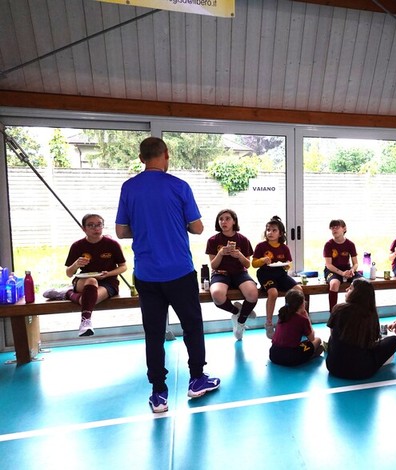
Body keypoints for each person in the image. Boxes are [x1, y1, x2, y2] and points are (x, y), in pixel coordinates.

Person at [115, 136, 220, 414]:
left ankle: (158, 393)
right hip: (179, 272)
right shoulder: (179, 186)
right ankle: (197, 379)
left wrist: (146, 227)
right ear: (166, 155)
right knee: (192, 326)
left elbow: (121, 231)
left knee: (153, 332)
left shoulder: (129, 187)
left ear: (141, 158)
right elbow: (197, 228)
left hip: (146, 274)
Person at [62, 213, 127, 337]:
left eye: (99, 225)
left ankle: (68, 293)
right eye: (91, 225)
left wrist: (109, 274)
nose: (96, 228)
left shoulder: (112, 244)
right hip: (84, 281)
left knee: (90, 300)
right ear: (84, 228)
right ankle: (85, 322)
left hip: (107, 281)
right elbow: (69, 273)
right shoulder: (77, 246)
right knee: (91, 281)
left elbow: (123, 266)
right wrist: (76, 264)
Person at [326, 278, 396, 379]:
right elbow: (372, 341)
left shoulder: (338, 309)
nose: (346, 289)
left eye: (350, 288)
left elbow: (332, 334)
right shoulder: (370, 315)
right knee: (394, 340)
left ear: (357, 293)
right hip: (361, 371)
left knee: (334, 339)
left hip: (333, 367)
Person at [206, 209, 258, 341]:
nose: (224, 221)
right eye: (221, 219)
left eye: (227, 218)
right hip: (220, 273)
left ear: (234, 221)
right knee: (217, 295)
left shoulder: (243, 240)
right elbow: (213, 266)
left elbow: (247, 264)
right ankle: (237, 311)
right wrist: (220, 254)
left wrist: (239, 255)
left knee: (253, 294)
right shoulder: (213, 240)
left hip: (240, 272)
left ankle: (241, 321)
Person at [252, 216, 302, 339]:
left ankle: (293, 318)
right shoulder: (261, 246)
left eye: (274, 230)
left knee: (298, 290)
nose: (270, 232)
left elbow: (288, 263)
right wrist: (262, 260)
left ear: (280, 233)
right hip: (265, 274)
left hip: (280, 274)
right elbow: (254, 264)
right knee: (273, 293)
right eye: (268, 230)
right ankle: (269, 323)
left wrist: (286, 266)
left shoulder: (284, 247)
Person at [269, 289, 324, 366]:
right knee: (318, 340)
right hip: (291, 357)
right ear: (302, 304)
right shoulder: (302, 319)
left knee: (302, 344)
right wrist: (307, 317)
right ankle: (310, 355)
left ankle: (310, 354)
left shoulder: (282, 315)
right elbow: (312, 338)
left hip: (273, 354)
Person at [323, 219, 361, 312]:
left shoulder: (350, 244)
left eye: (337, 227)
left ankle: (358, 312)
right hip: (332, 270)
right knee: (334, 284)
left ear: (344, 229)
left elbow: (356, 263)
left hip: (347, 269)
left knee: (362, 283)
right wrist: (342, 273)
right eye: (332, 228)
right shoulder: (328, 244)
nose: (334, 230)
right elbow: (328, 264)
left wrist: (352, 270)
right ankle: (333, 313)